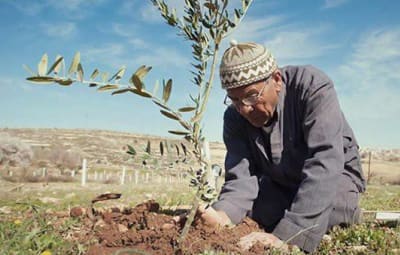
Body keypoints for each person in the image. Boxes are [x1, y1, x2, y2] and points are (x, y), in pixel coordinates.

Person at [197, 40, 366, 253]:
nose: (244, 109)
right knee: (257, 210)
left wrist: (288, 238)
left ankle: (342, 214)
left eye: (251, 96)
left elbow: (326, 159)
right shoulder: (233, 116)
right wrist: (221, 215)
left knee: (335, 205)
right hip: (281, 183)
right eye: (234, 100)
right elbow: (241, 179)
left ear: (276, 80)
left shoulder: (313, 87)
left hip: (336, 175)